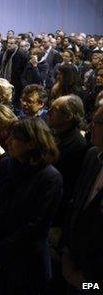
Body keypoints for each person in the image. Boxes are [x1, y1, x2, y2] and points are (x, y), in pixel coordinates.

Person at [0, 118, 62, 295]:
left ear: (31, 143)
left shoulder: (49, 178)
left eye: (14, 138)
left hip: (25, 265)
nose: (7, 142)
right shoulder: (6, 164)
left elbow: (36, 226)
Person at [61, 105, 103, 292]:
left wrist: (88, 282)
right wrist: (66, 251)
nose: (90, 126)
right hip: (71, 264)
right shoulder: (93, 155)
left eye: (97, 123)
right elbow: (76, 204)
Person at [47, 95, 90, 227]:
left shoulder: (77, 145)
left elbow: (67, 184)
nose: (49, 112)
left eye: (54, 110)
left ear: (68, 116)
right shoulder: (54, 133)